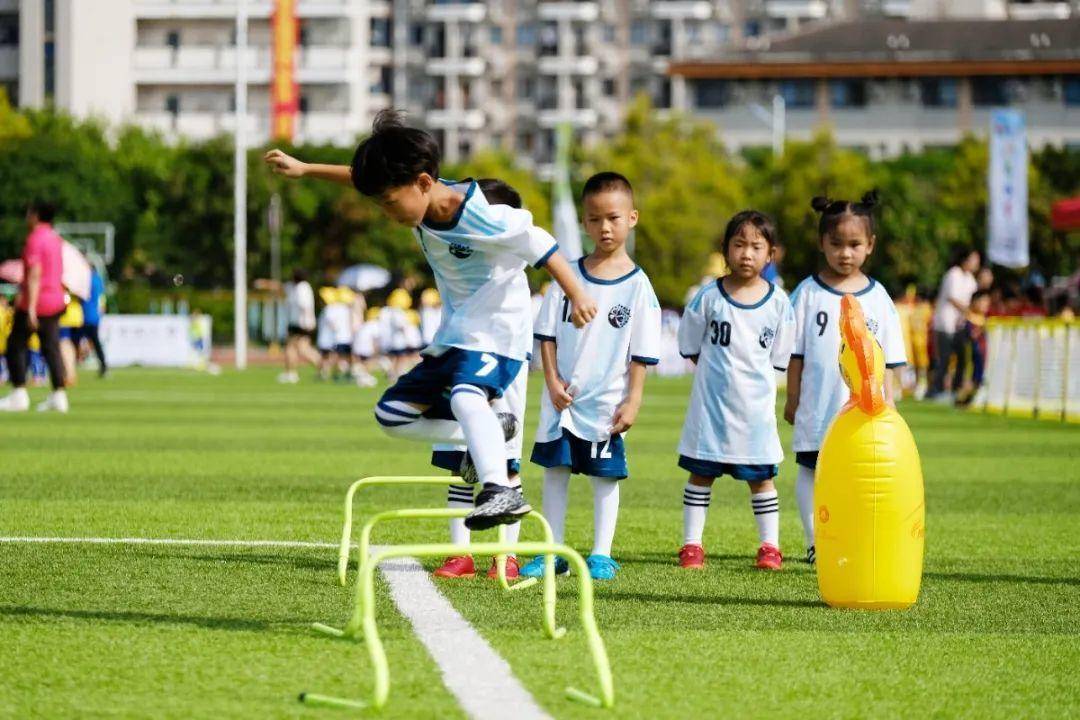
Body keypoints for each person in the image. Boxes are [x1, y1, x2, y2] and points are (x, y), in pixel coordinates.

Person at [265, 109, 598, 529]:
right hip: (455, 336)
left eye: (389, 203)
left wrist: (578, 294)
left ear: (423, 183)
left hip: (497, 332)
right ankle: (490, 433)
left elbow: (541, 244)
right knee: (392, 414)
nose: (388, 213)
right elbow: (361, 178)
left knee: (464, 396)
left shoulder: (479, 213)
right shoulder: (415, 195)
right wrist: (306, 169)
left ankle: (502, 490)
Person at [515, 172, 661, 581]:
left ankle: (600, 553)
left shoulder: (638, 286)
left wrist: (633, 400)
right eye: (595, 219)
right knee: (555, 471)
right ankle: (551, 549)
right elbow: (545, 334)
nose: (605, 227)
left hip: (606, 402)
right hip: (562, 399)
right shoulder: (567, 276)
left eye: (613, 218)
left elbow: (642, 354)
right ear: (584, 223)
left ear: (632, 218)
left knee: (604, 475)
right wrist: (552, 383)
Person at [784, 192, 907, 566]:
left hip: (865, 414)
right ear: (822, 243)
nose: (845, 253)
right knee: (811, 469)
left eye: (854, 244)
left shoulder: (879, 297)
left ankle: (856, 540)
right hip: (818, 406)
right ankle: (815, 542)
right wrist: (791, 399)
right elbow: (794, 355)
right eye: (836, 244)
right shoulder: (805, 294)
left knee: (860, 478)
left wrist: (891, 405)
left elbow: (890, 361)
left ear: (870, 245)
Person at [676, 210, 795, 572]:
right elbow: (689, 344)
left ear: (770, 254)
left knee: (762, 479)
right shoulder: (706, 297)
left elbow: (778, 359)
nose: (746, 253)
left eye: (756, 246)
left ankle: (770, 546)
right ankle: (692, 545)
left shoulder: (778, 303)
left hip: (755, 412)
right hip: (710, 409)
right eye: (739, 245)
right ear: (725, 250)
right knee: (701, 474)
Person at [430, 178, 531, 580]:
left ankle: (505, 556)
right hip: (456, 361)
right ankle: (461, 554)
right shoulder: (454, 258)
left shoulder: (512, 257)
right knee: (460, 463)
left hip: (504, 367)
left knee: (505, 462)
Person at [0, 201, 69, 413]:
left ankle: (19, 393)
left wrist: (30, 307)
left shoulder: (35, 239)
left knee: (15, 345)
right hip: (55, 298)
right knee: (51, 348)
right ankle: (59, 395)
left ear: (36, 216)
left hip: (37, 301)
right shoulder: (55, 239)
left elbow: (35, 273)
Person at [928, 245, 979, 402]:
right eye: (973, 259)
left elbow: (974, 300)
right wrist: (968, 311)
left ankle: (956, 389)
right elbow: (952, 298)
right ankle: (935, 390)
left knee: (963, 358)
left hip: (960, 325)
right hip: (945, 323)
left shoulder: (971, 280)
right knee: (944, 358)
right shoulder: (953, 274)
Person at [279, 268, 320, 384]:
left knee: (290, 347)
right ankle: (321, 366)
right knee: (303, 348)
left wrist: (307, 323)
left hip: (300, 322)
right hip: (300, 322)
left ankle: (291, 373)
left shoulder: (302, 288)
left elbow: (304, 306)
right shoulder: (297, 287)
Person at [77, 267, 107, 378]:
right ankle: (103, 366)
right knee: (95, 342)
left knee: (73, 341)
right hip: (94, 316)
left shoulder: (84, 279)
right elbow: (102, 299)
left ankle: (71, 365)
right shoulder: (98, 280)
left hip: (82, 315)